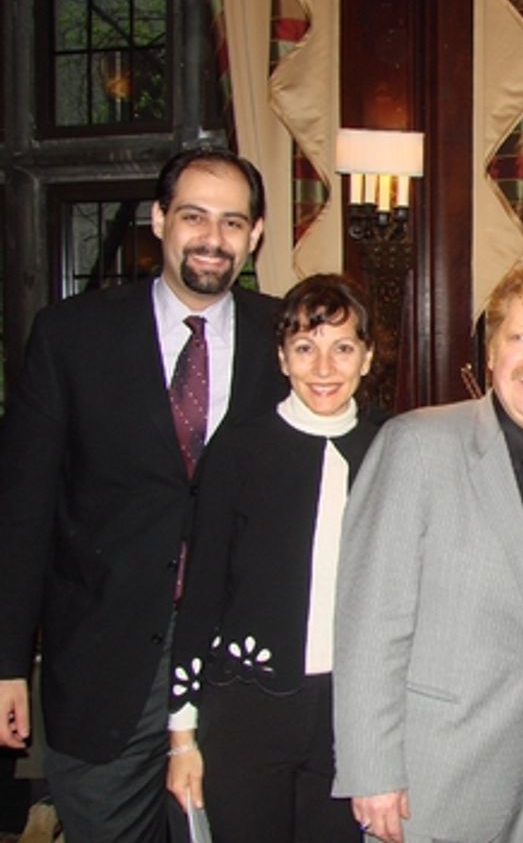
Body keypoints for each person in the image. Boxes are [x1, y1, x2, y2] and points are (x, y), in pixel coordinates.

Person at [0, 146, 287, 841]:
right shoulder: (72, 336)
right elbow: (22, 509)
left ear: (254, 237)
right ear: (160, 220)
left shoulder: (287, 340)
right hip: (102, 669)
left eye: (231, 222)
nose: (212, 238)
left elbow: (347, 453)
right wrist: (7, 665)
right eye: (193, 216)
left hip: (238, 674)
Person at [331, 264, 523, 843]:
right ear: (491, 353)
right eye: (520, 338)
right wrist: (372, 770)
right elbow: (370, 621)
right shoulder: (416, 445)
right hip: (431, 777)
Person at [165, 274, 378, 841]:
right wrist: (181, 736)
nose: (324, 368)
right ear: (282, 358)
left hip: (349, 714)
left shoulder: (393, 446)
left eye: (343, 348)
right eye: (306, 348)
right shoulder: (237, 451)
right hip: (245, 710)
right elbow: (201, 595)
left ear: (367, 358)